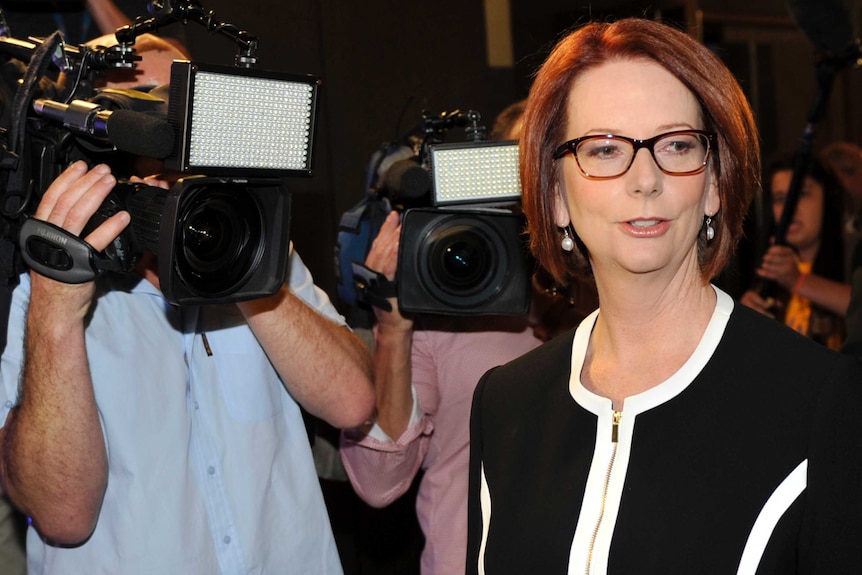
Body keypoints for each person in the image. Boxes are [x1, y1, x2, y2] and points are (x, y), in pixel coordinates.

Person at [466, 17, 862, 574]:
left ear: (714, 184)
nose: (644, 178)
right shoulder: (505, 403)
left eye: (676, 145)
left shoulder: (819, 403)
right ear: (555, 195)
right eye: (604, 150)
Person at [0, 167, 374, 573]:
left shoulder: (256, 237)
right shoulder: (43, 287)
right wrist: (56, 312)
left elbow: (353, 403)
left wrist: (239, 266)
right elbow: (62, 515)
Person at [339, 101, 597, 575]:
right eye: (523, 164)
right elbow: (379, 482)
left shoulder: (615, 290)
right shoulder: (441, 309)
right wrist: (393, 329)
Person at [740, 154, 850, 349]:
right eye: (780, 199)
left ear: (827, 197)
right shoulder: (769, 268)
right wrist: (744, 316)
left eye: (801, 194)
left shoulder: (853, 250)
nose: (789, 209)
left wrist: (798, 280)